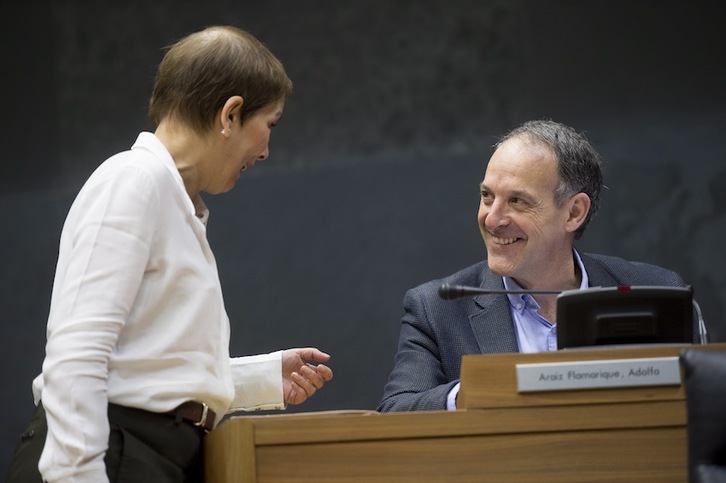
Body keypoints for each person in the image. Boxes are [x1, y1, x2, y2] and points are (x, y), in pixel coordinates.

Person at [6, 26, 333, 483]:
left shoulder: (171, 199)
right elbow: (76, 356)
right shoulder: (134, 180)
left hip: (144, 456)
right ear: (231, 114)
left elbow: (145, 373)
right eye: (269, 125)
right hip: (110, 456)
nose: (265, 151)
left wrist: (258, 379)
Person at [377, 119, 688, 413]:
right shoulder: (437, 309)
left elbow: (698, 403)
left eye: (517, 201)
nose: (493, 219)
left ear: (573, 213)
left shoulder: (655, 292)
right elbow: (396, 410)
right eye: (487, 197)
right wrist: (480, 389)